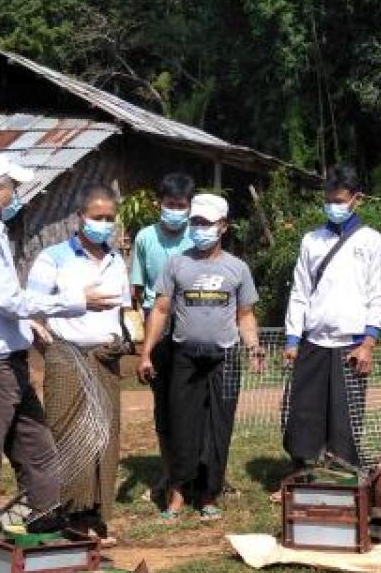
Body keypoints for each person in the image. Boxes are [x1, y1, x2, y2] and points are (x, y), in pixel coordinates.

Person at [0, 155, 121, 573]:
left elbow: (3, 304)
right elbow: (8, 300)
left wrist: (28, 327)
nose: (16, 195)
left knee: (41, 458)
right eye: (12, 187)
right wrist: (77, 301)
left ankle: (22, 542)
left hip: (8, 361)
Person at [137, 193, 262, 520]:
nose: (199, 228)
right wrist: (146, 352)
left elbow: (246, 314)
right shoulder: (177, 264)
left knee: (218, 427)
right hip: (184, 358)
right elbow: (161, 309)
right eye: (195, 222)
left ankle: (208, 496)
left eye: (206, 223)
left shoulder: (237, 268)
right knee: (182, 425)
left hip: (224, 359)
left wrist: (253, 346)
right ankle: (177, 495)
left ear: (223, 226)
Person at [25, 185, 131, 543]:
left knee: (104, 435)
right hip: (66, 357)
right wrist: (47, 344)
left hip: (105, 358)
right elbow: (30, 307)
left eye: (110, 219)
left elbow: (126, 310)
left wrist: (128, 338)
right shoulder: (52, 258)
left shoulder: (117, 261)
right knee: (68, 433)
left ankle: (98, 518)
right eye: (97, 217)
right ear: (80, 218)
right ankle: (72, 517)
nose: (104, 224)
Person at [281, 164, 381, 472]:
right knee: (304, 414)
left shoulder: (373, 241)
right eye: (329, 200)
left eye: (340, 200)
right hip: (314, 341)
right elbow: (300, 292)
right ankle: (300, 473)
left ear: (357, 199)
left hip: (351, 344)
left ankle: (342, 476)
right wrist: (293, 339)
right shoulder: (311, 241)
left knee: (346, 420)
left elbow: (378, 295)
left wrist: (368, 342)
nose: (333, 207)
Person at [130, 173, 197, 499]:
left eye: (181, 206)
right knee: (164, 406)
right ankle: (169, 475)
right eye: (169, 205)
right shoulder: (144, 237)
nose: (175, 211)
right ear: (160, 204)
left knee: (195, 405)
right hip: (156, 332)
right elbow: (137, 289)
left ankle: (199, 474)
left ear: (189, 206)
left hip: (193, 328)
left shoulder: (198, 236)